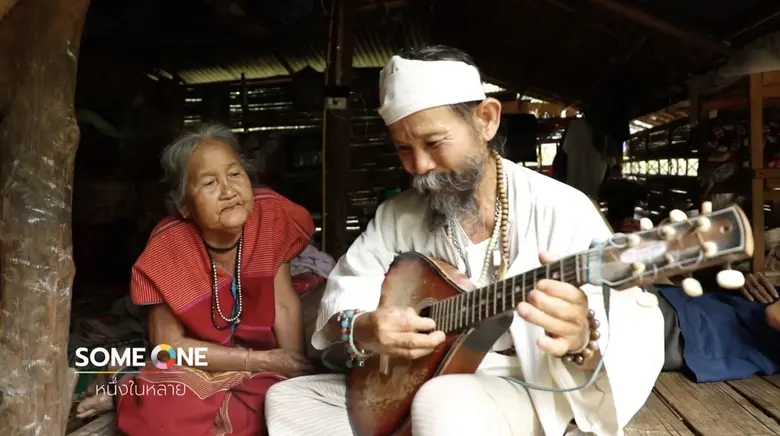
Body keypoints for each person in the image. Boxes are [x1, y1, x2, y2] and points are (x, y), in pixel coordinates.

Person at [264, 45, 664, 436]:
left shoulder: (563, 208)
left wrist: (581, 338)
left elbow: (627, 327)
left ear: (486, 120)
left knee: (442, 404)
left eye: (434, 143)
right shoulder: (399, 214)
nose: (418, 166)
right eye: (404, 147)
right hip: (414, 378)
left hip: (521, 385)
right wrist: (366, 327)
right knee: (288, 401)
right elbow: (348, 292)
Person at [75, 123, 316, 435]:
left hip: (264, 359)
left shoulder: (271, 217)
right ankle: (127, 391)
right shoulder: (167, 249)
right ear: (184, 206)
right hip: (197, 363)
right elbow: (169, 348)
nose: (229, 191)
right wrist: (264, 361)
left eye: (235, 174)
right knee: (161, 410)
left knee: (288, 403)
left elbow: (283, 303)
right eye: (209, 183)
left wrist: (293, 370)